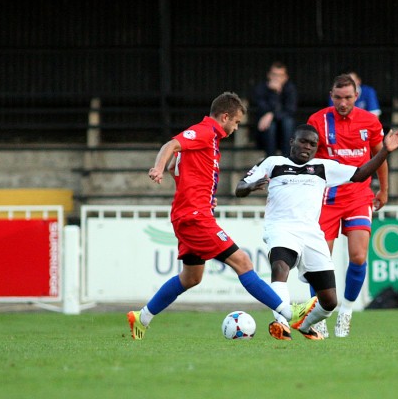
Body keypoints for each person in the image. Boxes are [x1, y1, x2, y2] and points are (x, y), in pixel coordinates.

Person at [127, 92, 315, 340]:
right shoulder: (204, 132)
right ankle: (289, 312)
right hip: (194, 217)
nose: (236, 128)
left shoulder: (211, 141)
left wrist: (197, 190)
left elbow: (178, 167)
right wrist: (158, 168)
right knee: (243, 263)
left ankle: (141, 318)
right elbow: (170, 146)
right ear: (224, 116)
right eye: (236, 122)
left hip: (192, 212)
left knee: (191, 277)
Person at [235, 124, 398, 340]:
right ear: (292, 141)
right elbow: (239, 187)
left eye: (312, 144)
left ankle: (305, 325)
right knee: (280, 266)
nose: (307, 147)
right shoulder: (273, 163)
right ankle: (281, 323)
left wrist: (385, 151)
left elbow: (360, 173)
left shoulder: (323, 167)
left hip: (311, 234)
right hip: (280, 228)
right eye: (303, 142)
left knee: (329, 301)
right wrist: (251, 187)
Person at [308, 74, 389, 338]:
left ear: (357, 96)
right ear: (331, 96)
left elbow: (380, 155)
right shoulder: (317, 120)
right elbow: (305, 157)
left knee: (358, 256)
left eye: (348, 97)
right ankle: (318, 313)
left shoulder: (370, 121)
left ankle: (346, 312)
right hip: (326, 197)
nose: (343, 103)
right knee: (319, 259)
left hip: (358, 196)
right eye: (338, 97)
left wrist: (384, 189)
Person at [253, 61, 297, 157]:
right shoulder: (261, 89)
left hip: (284, 131)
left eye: (280, 75)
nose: (277, 78)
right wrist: (274, 93)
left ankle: (288, 158)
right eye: (274, 75)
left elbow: (290, 110)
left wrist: (272, 114)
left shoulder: (290, 89)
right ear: (269, 75)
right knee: (271, 125)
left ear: (286, 77)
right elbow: (261, 108)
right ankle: (270, 158)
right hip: (265, 132)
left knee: (287, 122)